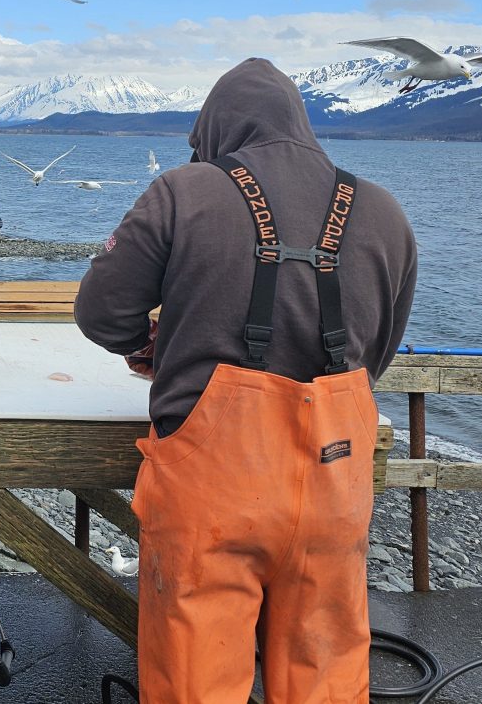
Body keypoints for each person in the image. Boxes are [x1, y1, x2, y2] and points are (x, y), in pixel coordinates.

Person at [74, 57, 416, 703]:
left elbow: (99, 311)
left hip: (211, 493)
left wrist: (149, 346)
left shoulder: (183, 191)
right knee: (327, 682)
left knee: (195, 684)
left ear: (216, 128)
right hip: (335, 483)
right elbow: (377, 357)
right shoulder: (386, 213)